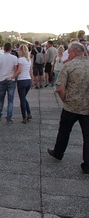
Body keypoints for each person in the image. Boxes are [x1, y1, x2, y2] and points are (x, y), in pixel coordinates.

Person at [47, 42, 89, 175]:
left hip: (71, 106)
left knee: (64, 131)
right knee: (87, 136)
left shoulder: (68, 66)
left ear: (76, 52)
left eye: (70, 52)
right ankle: (87, 165)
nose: (68, 54)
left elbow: (60, 88)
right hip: (87, 107)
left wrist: (65, 100)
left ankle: (58, 152)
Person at [0, 42, 18, 123]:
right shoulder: (14, 58)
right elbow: (15, 70)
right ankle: (9, 117)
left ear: (4, 48)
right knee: (10, 100)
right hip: (11, 80)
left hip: (2, 80)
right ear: (11, 49)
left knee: (1, 99)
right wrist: (14, 78)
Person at [11, 44, 33, 123]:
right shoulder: (28, 60)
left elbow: (19, 70)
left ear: (21, 51)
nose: (18, 52)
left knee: (22, 99)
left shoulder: (20, 60)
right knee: (24, 98)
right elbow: (31, 71)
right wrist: (32, 81)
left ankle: (24, 117)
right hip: (28, 80)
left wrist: (12, 77)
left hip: (22, 80)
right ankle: (29, 113)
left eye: (19, 50)